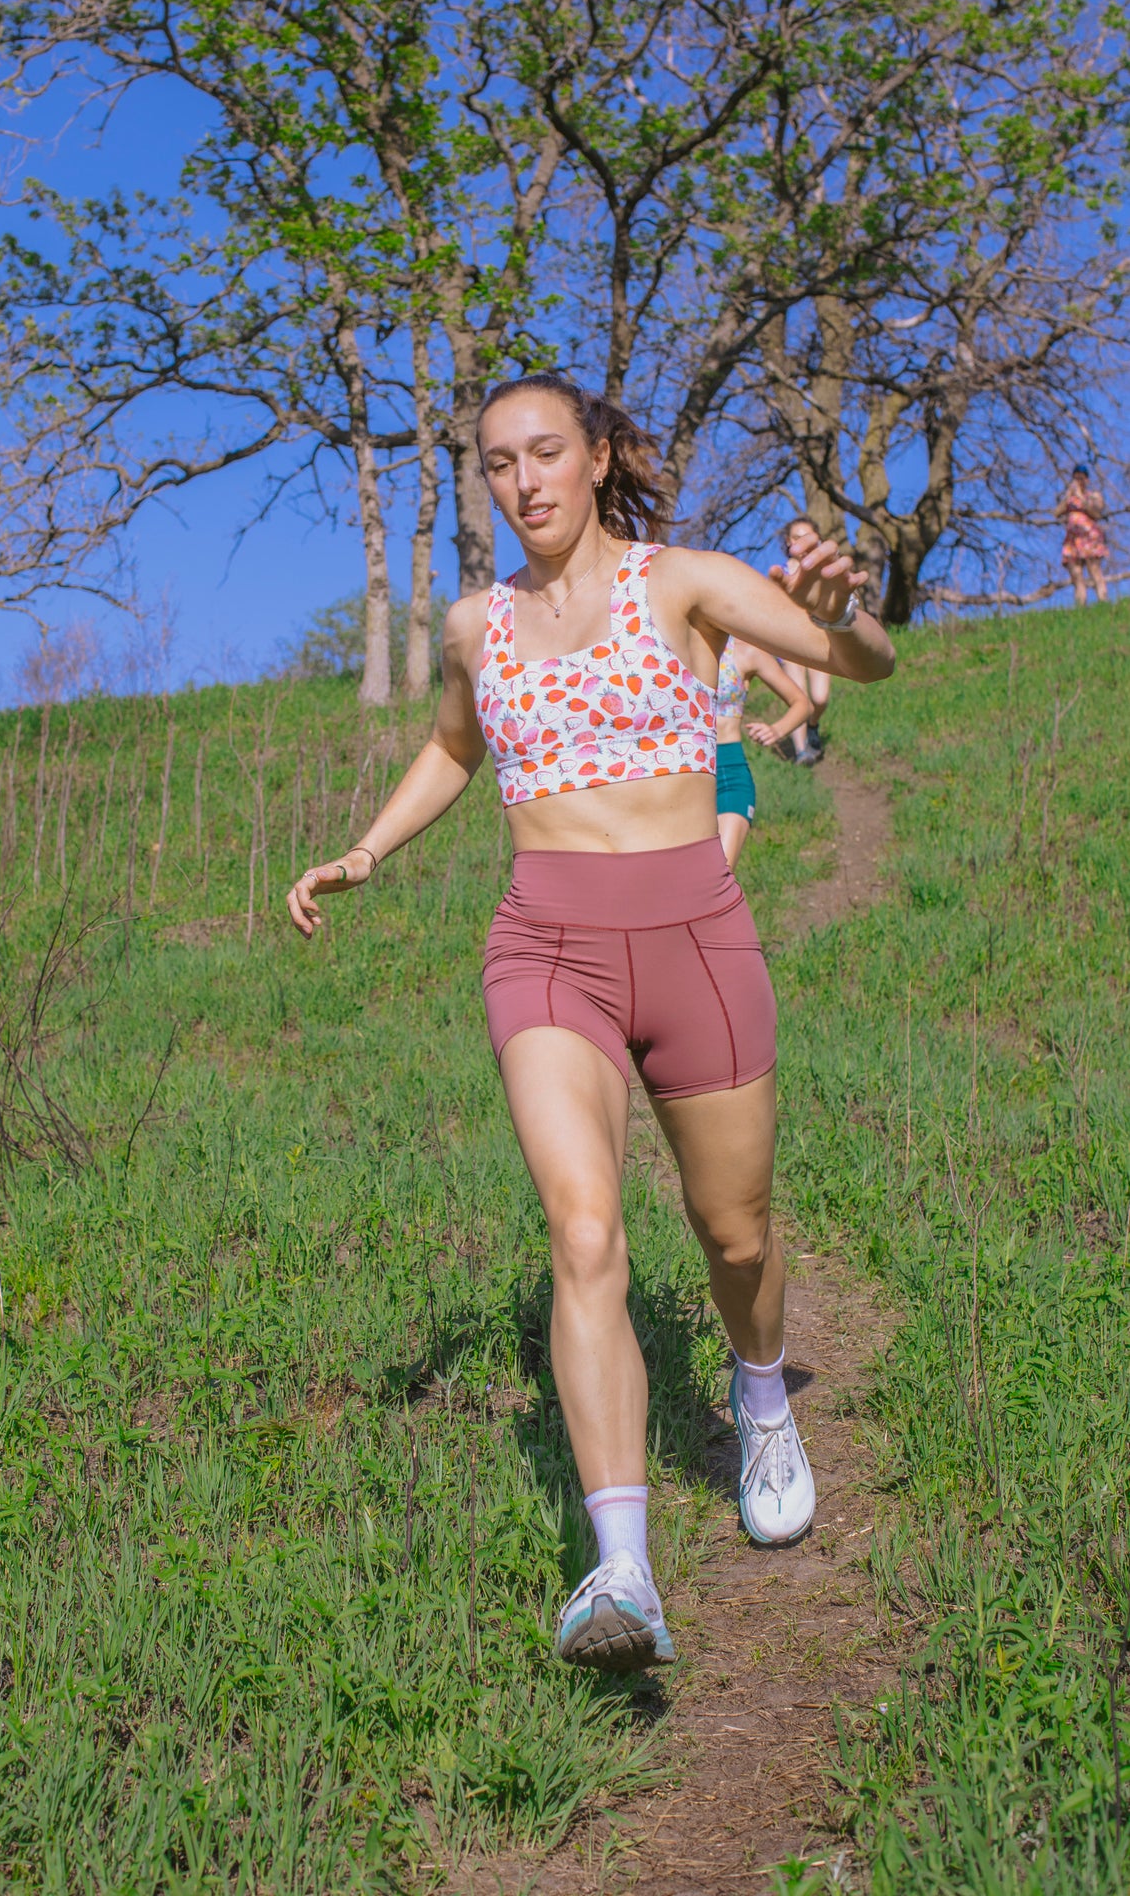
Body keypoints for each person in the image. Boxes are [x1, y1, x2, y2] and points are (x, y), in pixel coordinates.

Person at [286, 372, 895, 1674]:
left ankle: (756, 1386)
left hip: (693, 938)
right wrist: (367, 851)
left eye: (546, 452)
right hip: (546, 946)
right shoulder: (474, 626)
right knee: (582, 1226)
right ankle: (620, 1569)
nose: (525, 482)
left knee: (734, 1236)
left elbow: (860, 660)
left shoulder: (681, 583)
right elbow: (456, 748)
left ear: (598, 453)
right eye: (499, 462)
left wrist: (846, 616)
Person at [716, 637, 814, 871]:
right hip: (681, 779)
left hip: (728, 775)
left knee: (718, 873)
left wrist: (776, 730)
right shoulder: (676, 644)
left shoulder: (745, 652)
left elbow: (802, 703)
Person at [779, 516, 836, 765]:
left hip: (819, 638)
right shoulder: (780, 572)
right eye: (796, 537)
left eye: (807, 536)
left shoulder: (824, 571)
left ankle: (812, 724)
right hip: (790, 641)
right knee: (799, 696)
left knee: (820, 697)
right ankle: (802, 752)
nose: (801, 542)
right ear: (788, 541)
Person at [1058, 466, 1109, 605]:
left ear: (1086, 479)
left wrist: (1081, 497)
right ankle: (1081, 606)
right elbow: (1057, 512)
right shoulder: (1071, 499)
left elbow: (1096, 513)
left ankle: (1103, 602)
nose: (1078, 481)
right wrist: (1068, 497)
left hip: (1089, 536)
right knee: (1076, 574)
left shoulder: (1093, 495)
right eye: (1075, 478)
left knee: (1094, 570)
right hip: (1072, 539)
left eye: (1081, 478)